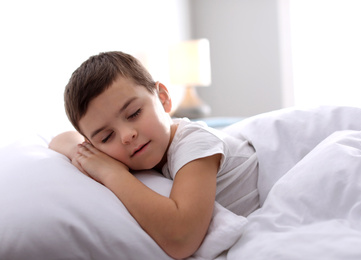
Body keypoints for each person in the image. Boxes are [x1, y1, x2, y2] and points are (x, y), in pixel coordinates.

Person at [49, 51, 260, 259]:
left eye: (134, 114)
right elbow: (60, 140)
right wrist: (86, 154)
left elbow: (182, 238)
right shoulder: (127, 151)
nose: (126, 136)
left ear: (163, 98)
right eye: (106, 137)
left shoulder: (196, 143)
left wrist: (111, 173)